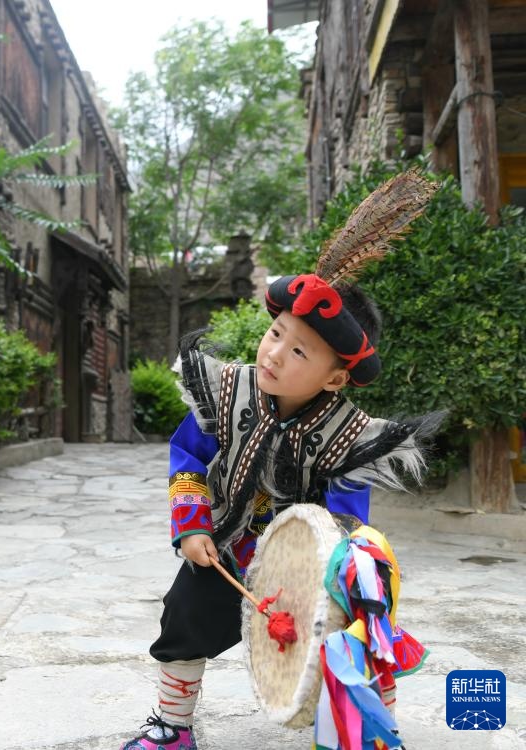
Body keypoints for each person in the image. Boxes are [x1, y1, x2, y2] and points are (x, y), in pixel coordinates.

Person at [121, 172, 440, 750]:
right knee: (183, 616)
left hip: (307, 567)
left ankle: (364, 728)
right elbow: (188, 458)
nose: (273, 353)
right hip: (228, 544)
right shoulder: (227, 393)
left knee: (348, 634)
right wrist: (191, 527)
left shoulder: (346, 435)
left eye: (298, 351)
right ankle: (172, 727)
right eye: (274, 334)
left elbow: (347, 518)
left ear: (335, 378)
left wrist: (335, 573)